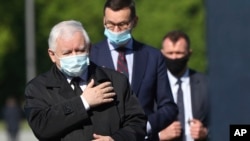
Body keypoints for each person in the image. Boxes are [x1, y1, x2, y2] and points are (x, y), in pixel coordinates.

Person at [24, 20, 147, 141]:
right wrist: (83, 102)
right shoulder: (38, 88)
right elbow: (41, 127)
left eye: (80, 50)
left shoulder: (116, 81)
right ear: (52, 55)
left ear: (89, 48)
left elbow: (138, 123)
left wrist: (115, 139)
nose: (75, 56)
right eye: (67, 53)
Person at [90, 0, 178, 140]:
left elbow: (168, 107)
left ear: (134, 21)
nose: (116, 31)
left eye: (122, 25)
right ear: (104, 21)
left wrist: (144, 127)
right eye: (110, 24)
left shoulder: (153, 57)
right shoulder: (91, 56)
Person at [159, 30, 209, 141]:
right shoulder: (152, 85)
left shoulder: (206, 84)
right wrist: (160, 135)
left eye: (179, 53)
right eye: (170, 53)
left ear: (189, 53)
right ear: (162, 54)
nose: (174, 58)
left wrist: (205, 132)